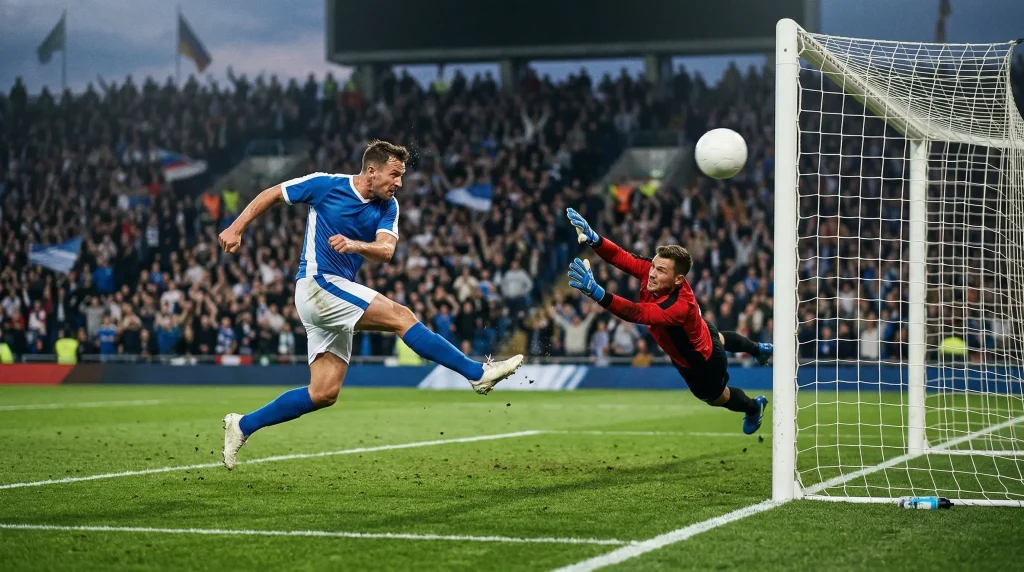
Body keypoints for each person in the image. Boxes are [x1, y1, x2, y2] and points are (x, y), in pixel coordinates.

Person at [217, 140, 523, 469]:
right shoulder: (325, 185)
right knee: (401, 316)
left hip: (333, 293)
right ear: (372, 171)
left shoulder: (388, 207)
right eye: (395, 175)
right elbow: (274, 193)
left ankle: (243, 425)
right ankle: (477, 373)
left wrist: (355, 245)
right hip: (318, 285)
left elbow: (386, 251)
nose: (399, 183)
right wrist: (236, 227)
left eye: (401, 176)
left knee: (323, 392)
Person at [565, 208, 771, 434]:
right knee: (719, 337)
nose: (652, 273)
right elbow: (621, 257)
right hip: (702, 334)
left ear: (678, 279)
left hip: (701, 364)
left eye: (660, 270)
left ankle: (753, 407)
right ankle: (758, 349)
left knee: (718, 398)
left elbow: (636, 313)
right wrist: (595, 239)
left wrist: (596, 292)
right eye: (654, 265)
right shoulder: (657, 274)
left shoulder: (677, 306)